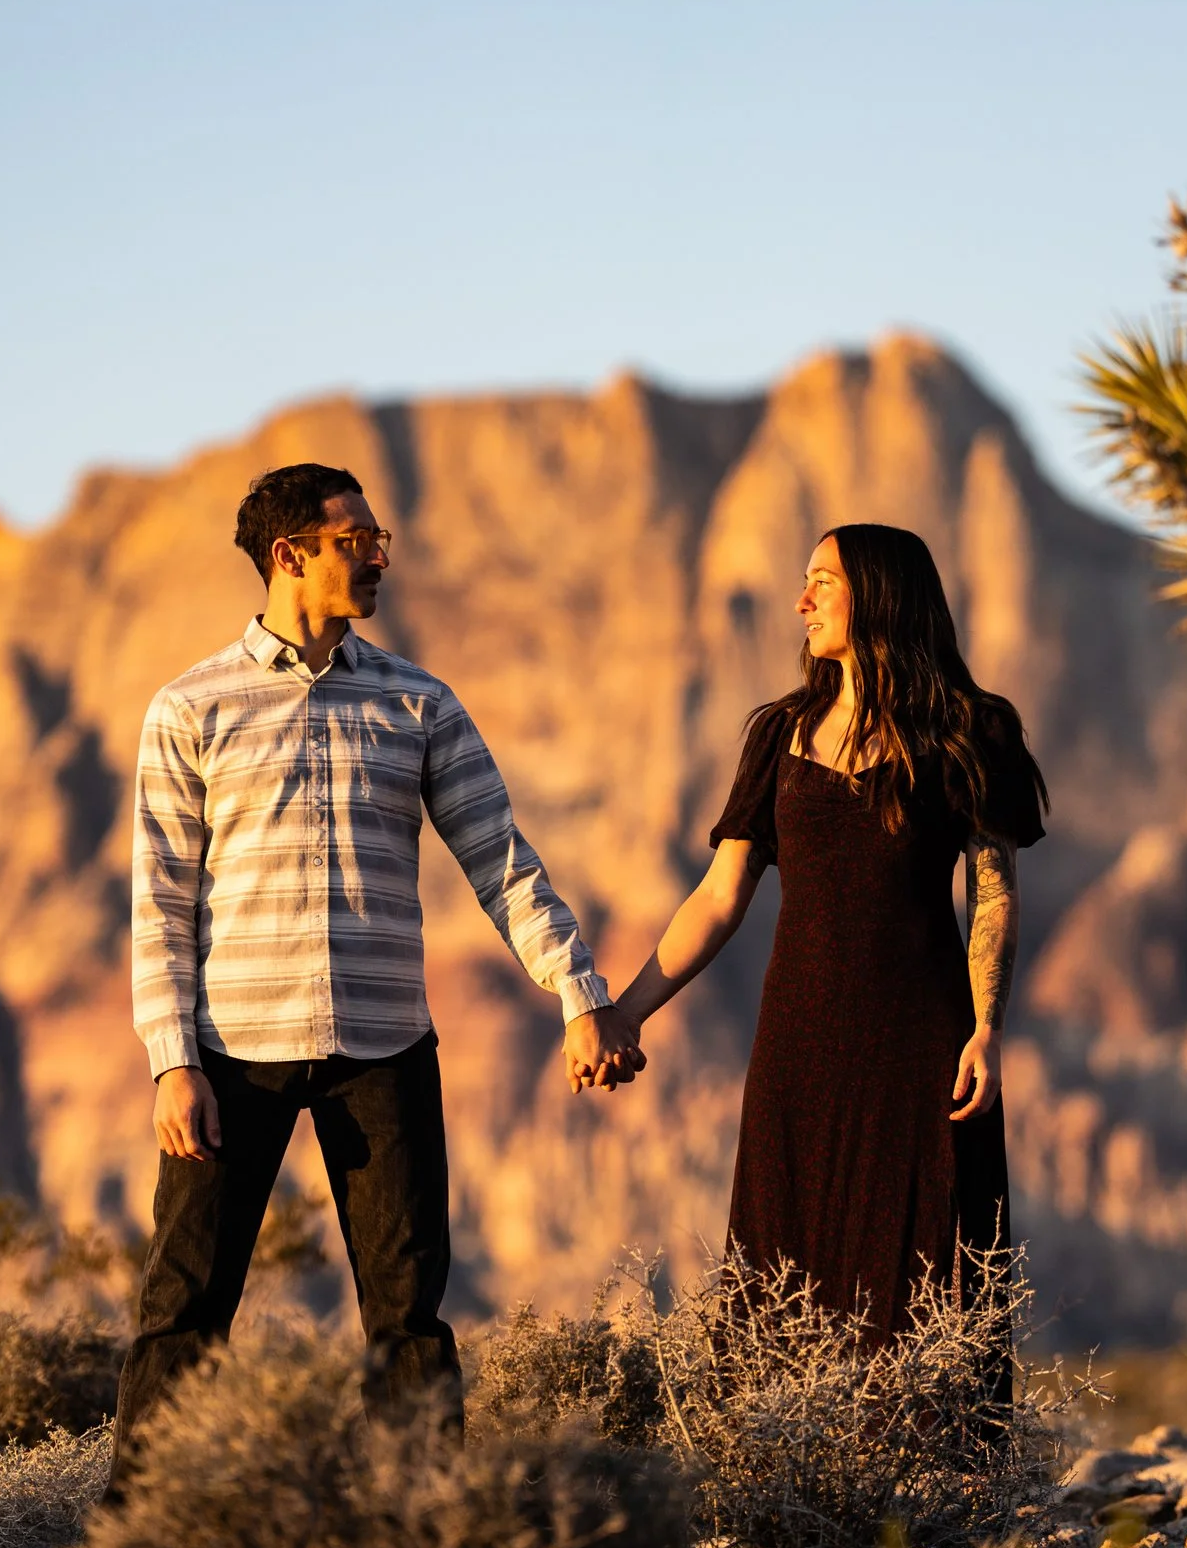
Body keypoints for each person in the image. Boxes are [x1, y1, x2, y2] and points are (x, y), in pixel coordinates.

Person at [108, 462, 644, 1495]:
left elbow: (499, 857)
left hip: (386, 1046)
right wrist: (172, 1061)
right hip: (231, 1057)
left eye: (376, 533)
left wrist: (578, 988)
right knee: (182, 1312)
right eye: (356, 536)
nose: (378, 552)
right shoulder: (190, 707)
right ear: (290, 554)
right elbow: (161, 903)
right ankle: (136, 1537)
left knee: (407, 1320)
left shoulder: (418, 702)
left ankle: (423, 1528)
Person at [611, 523, 1045, 1343]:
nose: (800, 599)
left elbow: (993, 894)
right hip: (797, 1051)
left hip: (926, 1052)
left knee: (929, 1278)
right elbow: (719, 895)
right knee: (785, 1279)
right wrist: (627, 1010)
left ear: (878, 595)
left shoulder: (972, 730)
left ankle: (940, 1474)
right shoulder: (779, 733)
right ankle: (785, 1471)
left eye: (823, 581)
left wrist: (987, 1029)